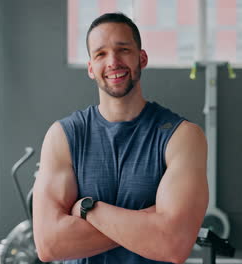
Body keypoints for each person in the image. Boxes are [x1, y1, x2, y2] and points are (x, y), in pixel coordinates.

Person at [33, 12, 208, 264]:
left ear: (142, 57)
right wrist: (147, 221)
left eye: (123, 50)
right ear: (91, 68)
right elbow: (49, 245)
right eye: (100, 54)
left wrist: (88, 209)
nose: (113, 61)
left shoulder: (182, 137)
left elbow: (173, 244)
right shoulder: (63, 136)